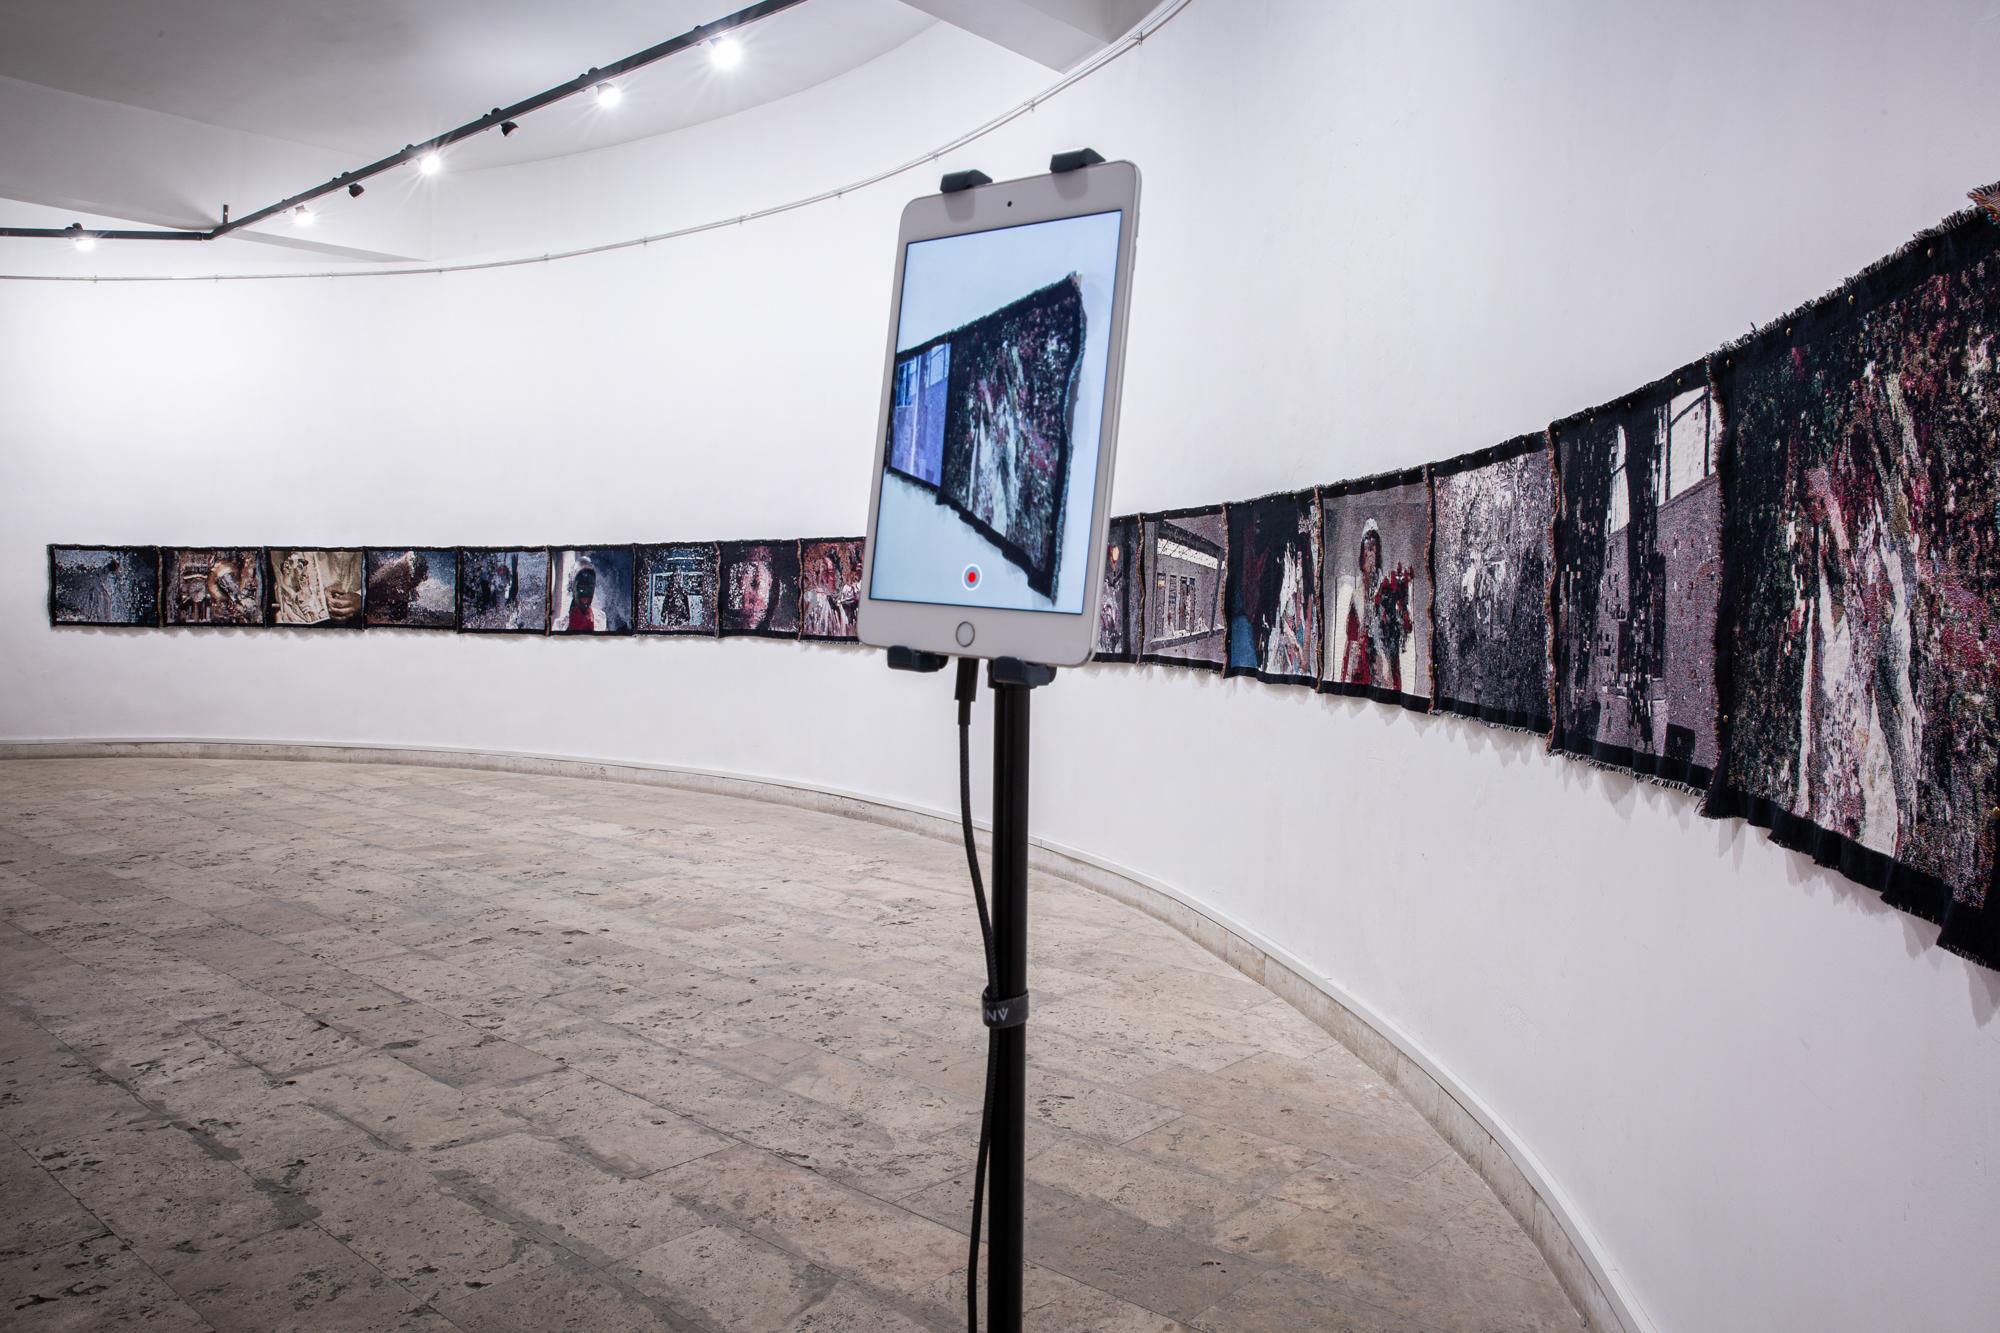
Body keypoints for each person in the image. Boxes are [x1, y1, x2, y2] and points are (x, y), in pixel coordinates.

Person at [1342, 519, 1415, 691]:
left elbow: (1393, 633)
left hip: (1382, 663)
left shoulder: (1386, 589)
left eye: (1373, 548)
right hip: (1361, 665)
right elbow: (1351, 634)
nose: (1370, 554)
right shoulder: (1356, 595)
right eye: (1367, 548)